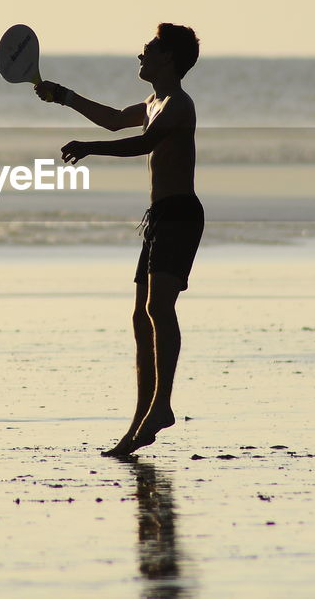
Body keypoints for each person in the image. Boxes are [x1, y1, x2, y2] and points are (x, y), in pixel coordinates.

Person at [36, 23, 202, 457]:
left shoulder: (179, 105)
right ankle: (139, 423)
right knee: (139, 317)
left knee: (157, 308)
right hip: (159, 216)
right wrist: (64, 95)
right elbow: (113, 120)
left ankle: (161, 405)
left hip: (181, 214)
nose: (141, 54)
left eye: (149, 48)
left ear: (168, 58)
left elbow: (144, 143)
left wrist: (89, 149)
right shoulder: (152, 102)